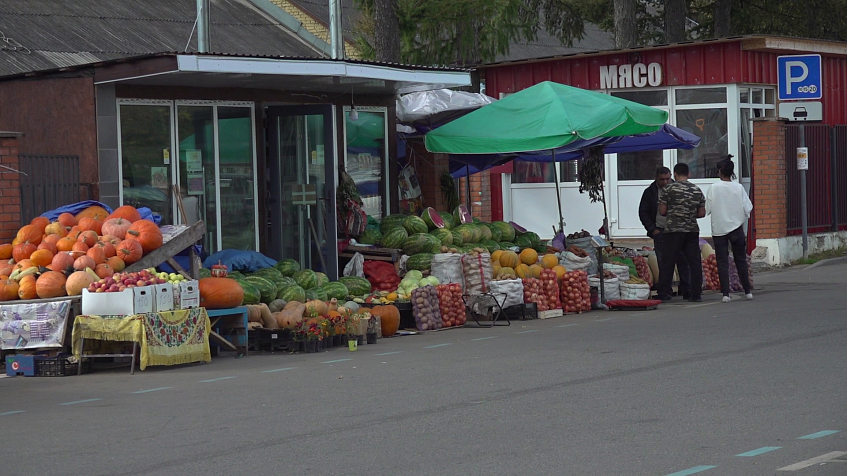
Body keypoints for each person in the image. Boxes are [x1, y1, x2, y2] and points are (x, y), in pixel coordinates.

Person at [638, 166, 691, 298]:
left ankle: (686, 289)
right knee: (664, 263)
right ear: (657, 178)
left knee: (683, 261)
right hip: (660, 231)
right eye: (662, 180)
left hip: (678, 230)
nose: (665, 182)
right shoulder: (650, 192)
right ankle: (665, 291)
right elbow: (643, 212)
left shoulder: (678, 188)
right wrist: (652, 229)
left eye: (668, 179)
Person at [706, 157, 753, 302]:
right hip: (736, 228)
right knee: (740, 260)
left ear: (719, 171)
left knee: (722, 261)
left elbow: (707, 209)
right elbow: (748, 208)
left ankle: (725, 294)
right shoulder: (738, 188)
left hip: (719, 229)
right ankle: (747, 291)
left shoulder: (713, 188)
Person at [657, 163, 705, 302]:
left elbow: (662, 211)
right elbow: (701, 213)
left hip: (673, 230)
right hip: (691, 230)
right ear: (688, 174)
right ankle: (696, 293)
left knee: (668, 262)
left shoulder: (668, 189)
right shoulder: (696, 190)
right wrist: (688, 214)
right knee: (694, 262)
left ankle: (664, 294)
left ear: (675, 174)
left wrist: (676, 213)